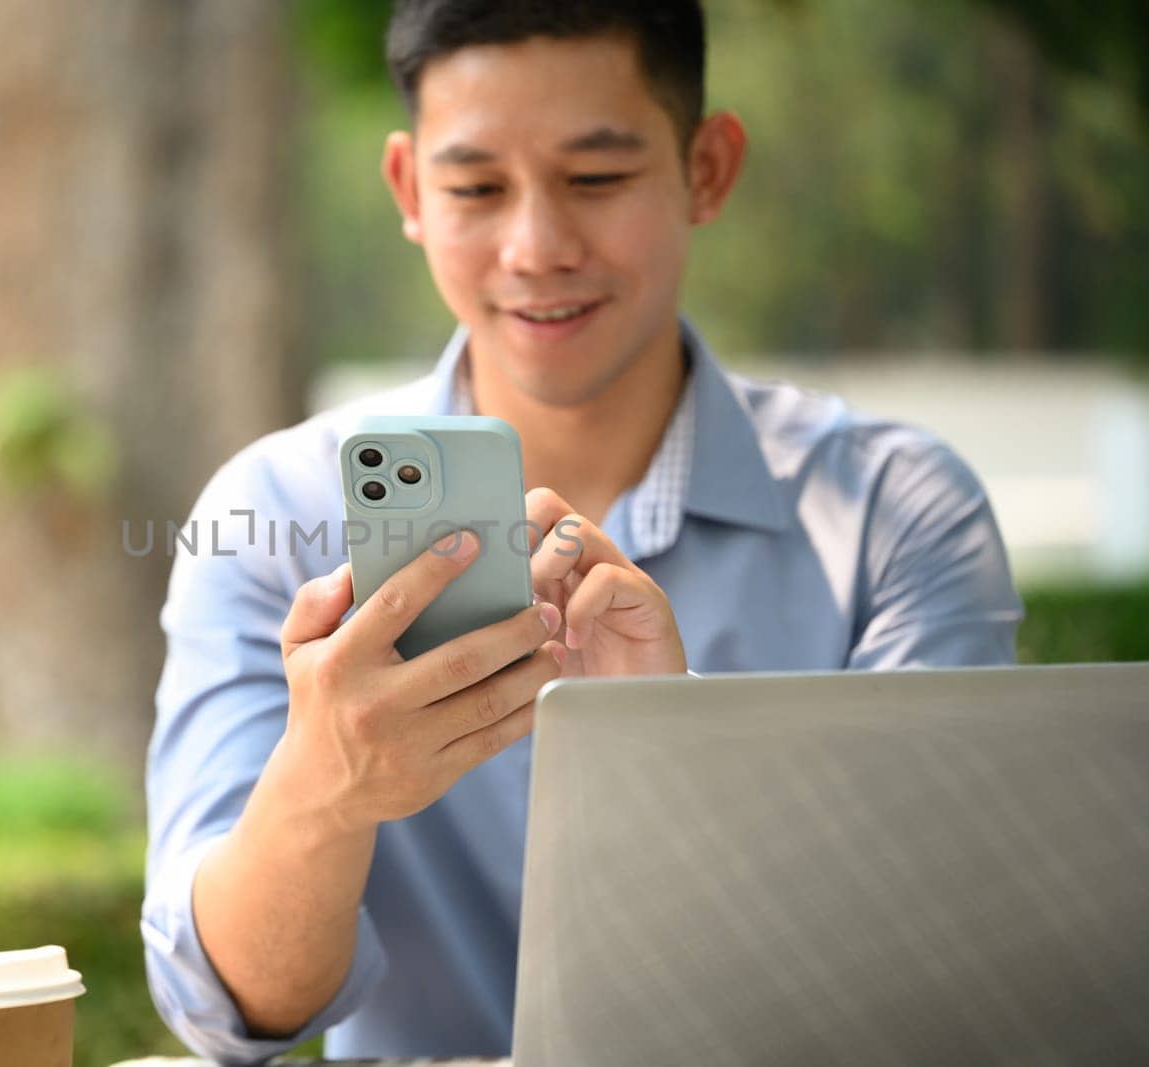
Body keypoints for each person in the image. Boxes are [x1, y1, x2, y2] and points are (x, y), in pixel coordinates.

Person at [141, 1, 1024, 1062]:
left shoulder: (892, 514)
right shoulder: (275, 517)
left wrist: (673, 760)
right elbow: (222, 1011)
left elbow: (941, 969)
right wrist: (324, 794)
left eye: (595, 179)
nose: (536, 247)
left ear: (707, 166)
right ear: (408, 189)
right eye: (474, 187)